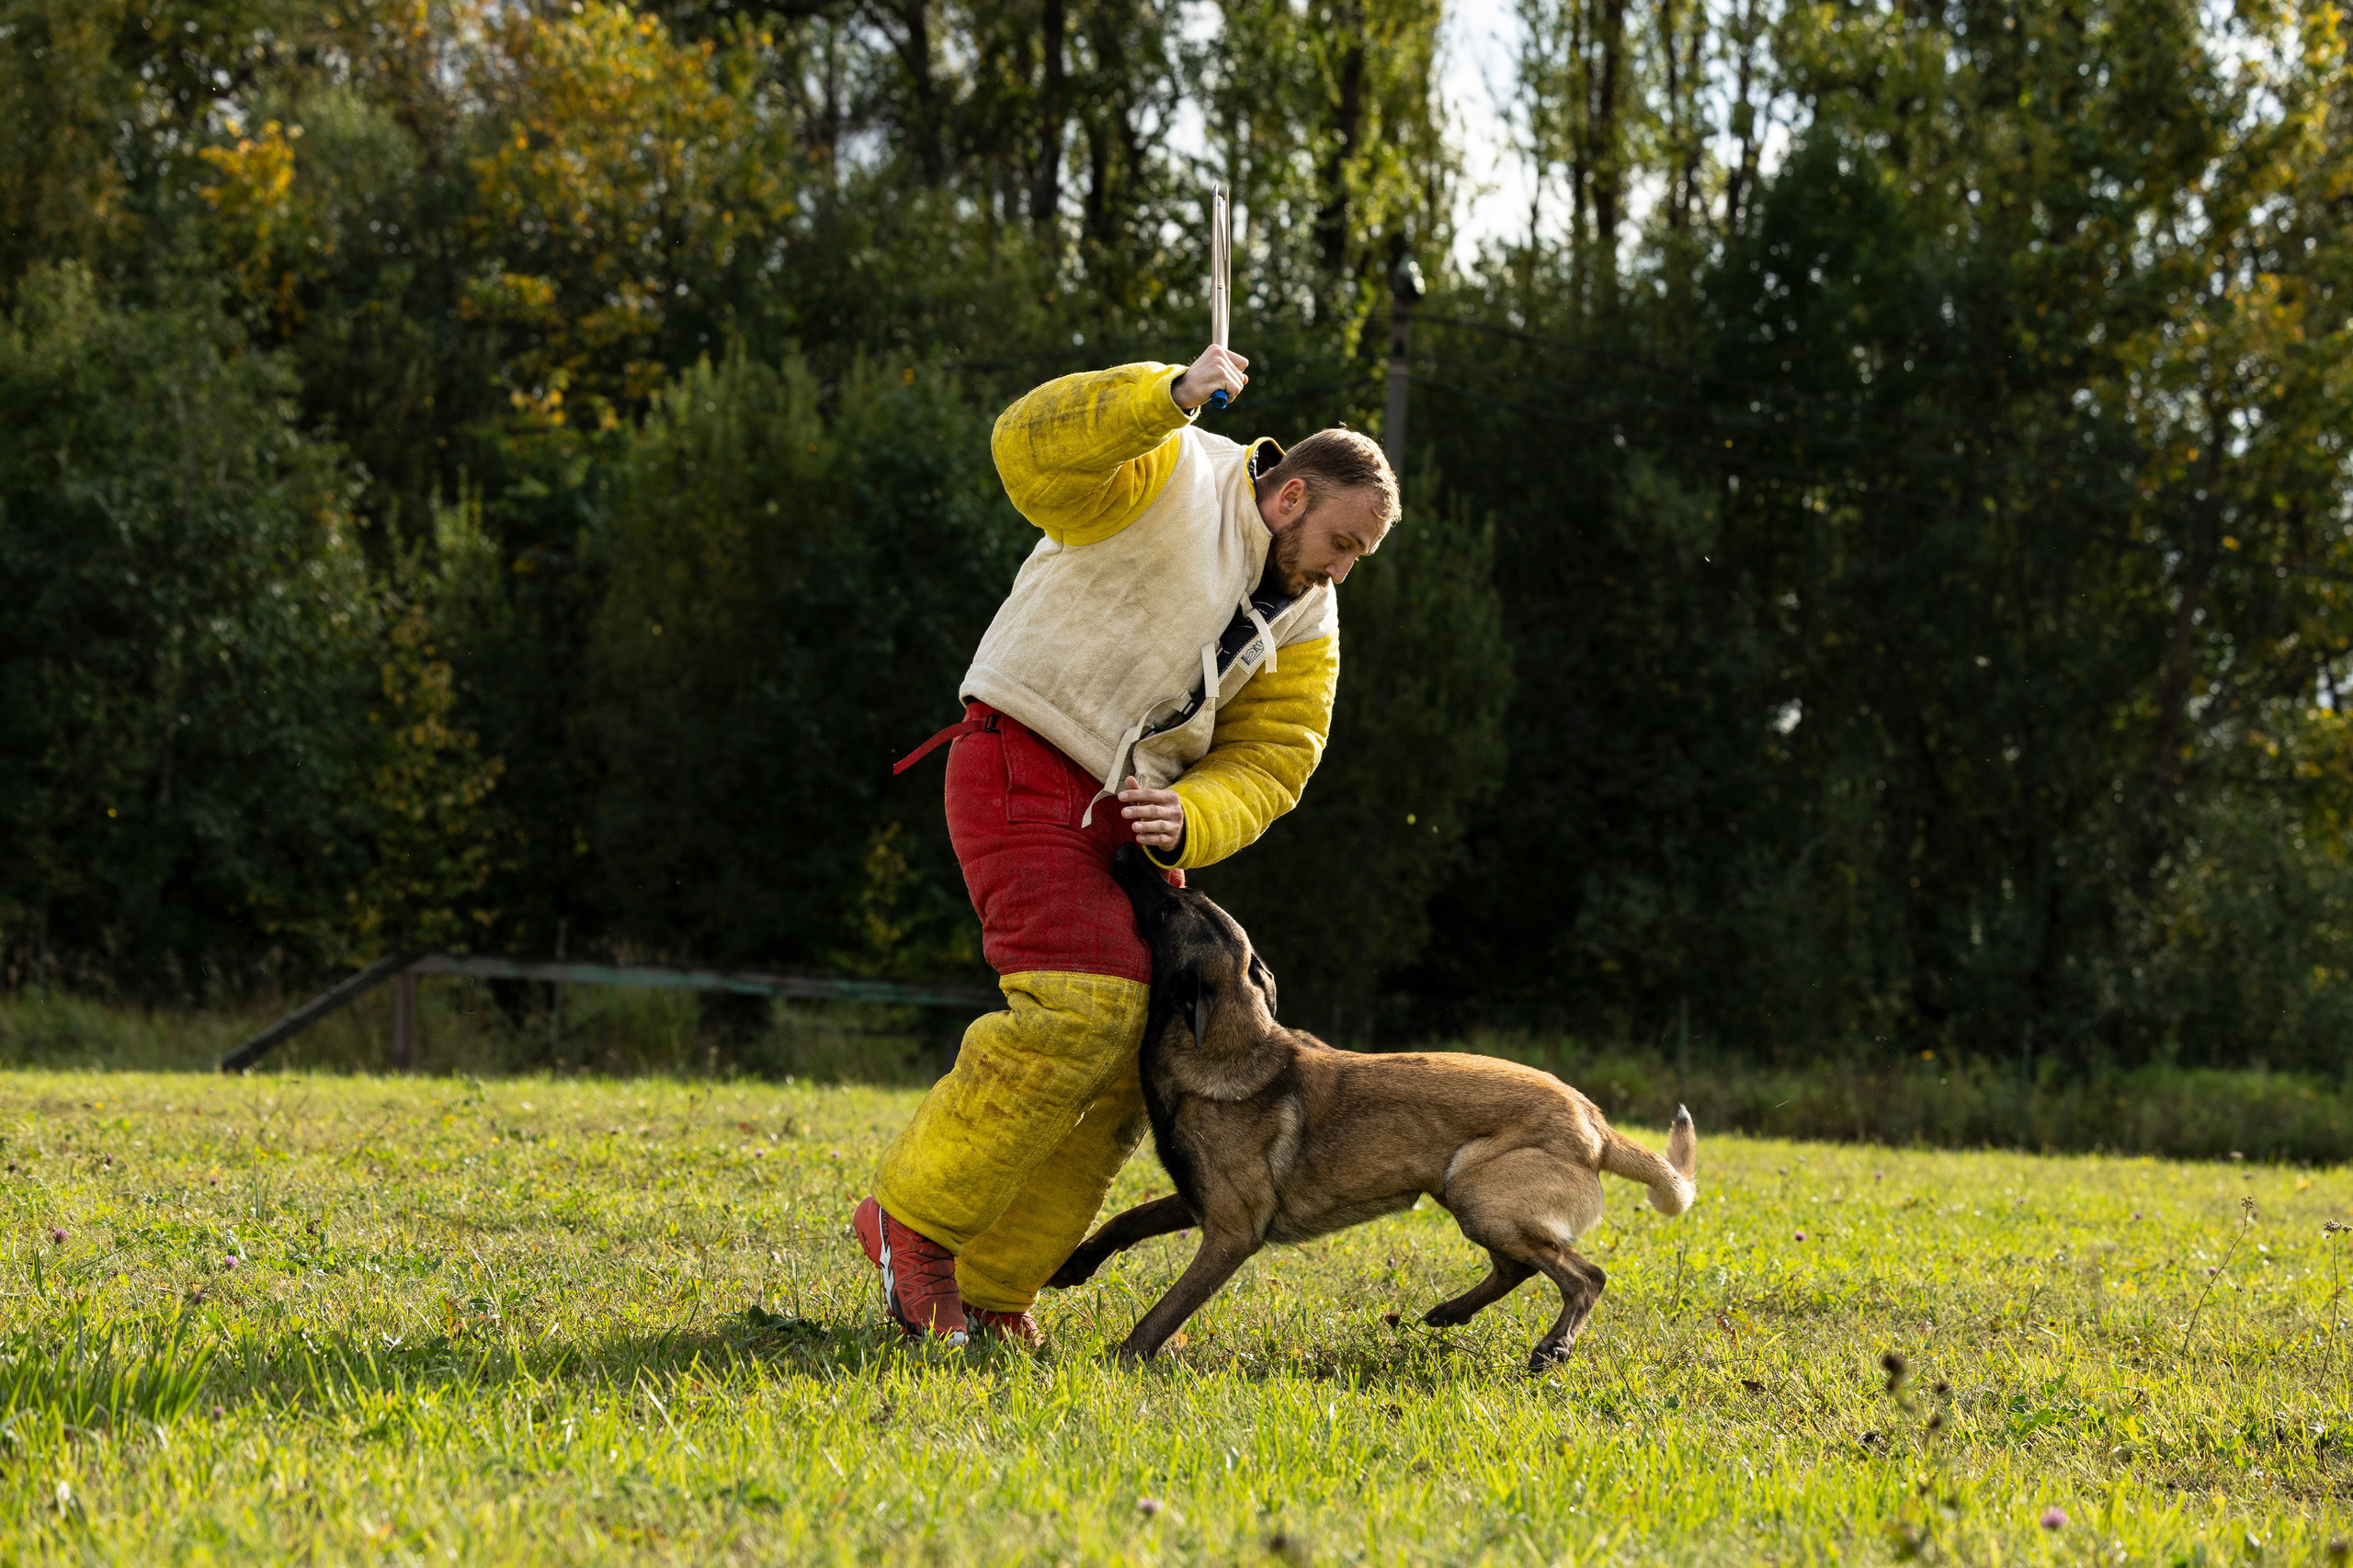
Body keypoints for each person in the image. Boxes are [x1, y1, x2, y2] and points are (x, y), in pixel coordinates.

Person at [854, 343, 1400, 1346]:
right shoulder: (1170, 463)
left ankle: (995, 1284)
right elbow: (1027, 450)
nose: (1341, 569)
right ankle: (912, 1224)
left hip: (1135, 813)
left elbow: (1276, 757)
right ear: (1291, 497)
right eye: (1342, 543)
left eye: (1357, 556)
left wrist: (1192, 815)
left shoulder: (1312, 615)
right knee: (1083, 1005)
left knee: (1147, 1052)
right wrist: (1167, 394)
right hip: (1023, 750)